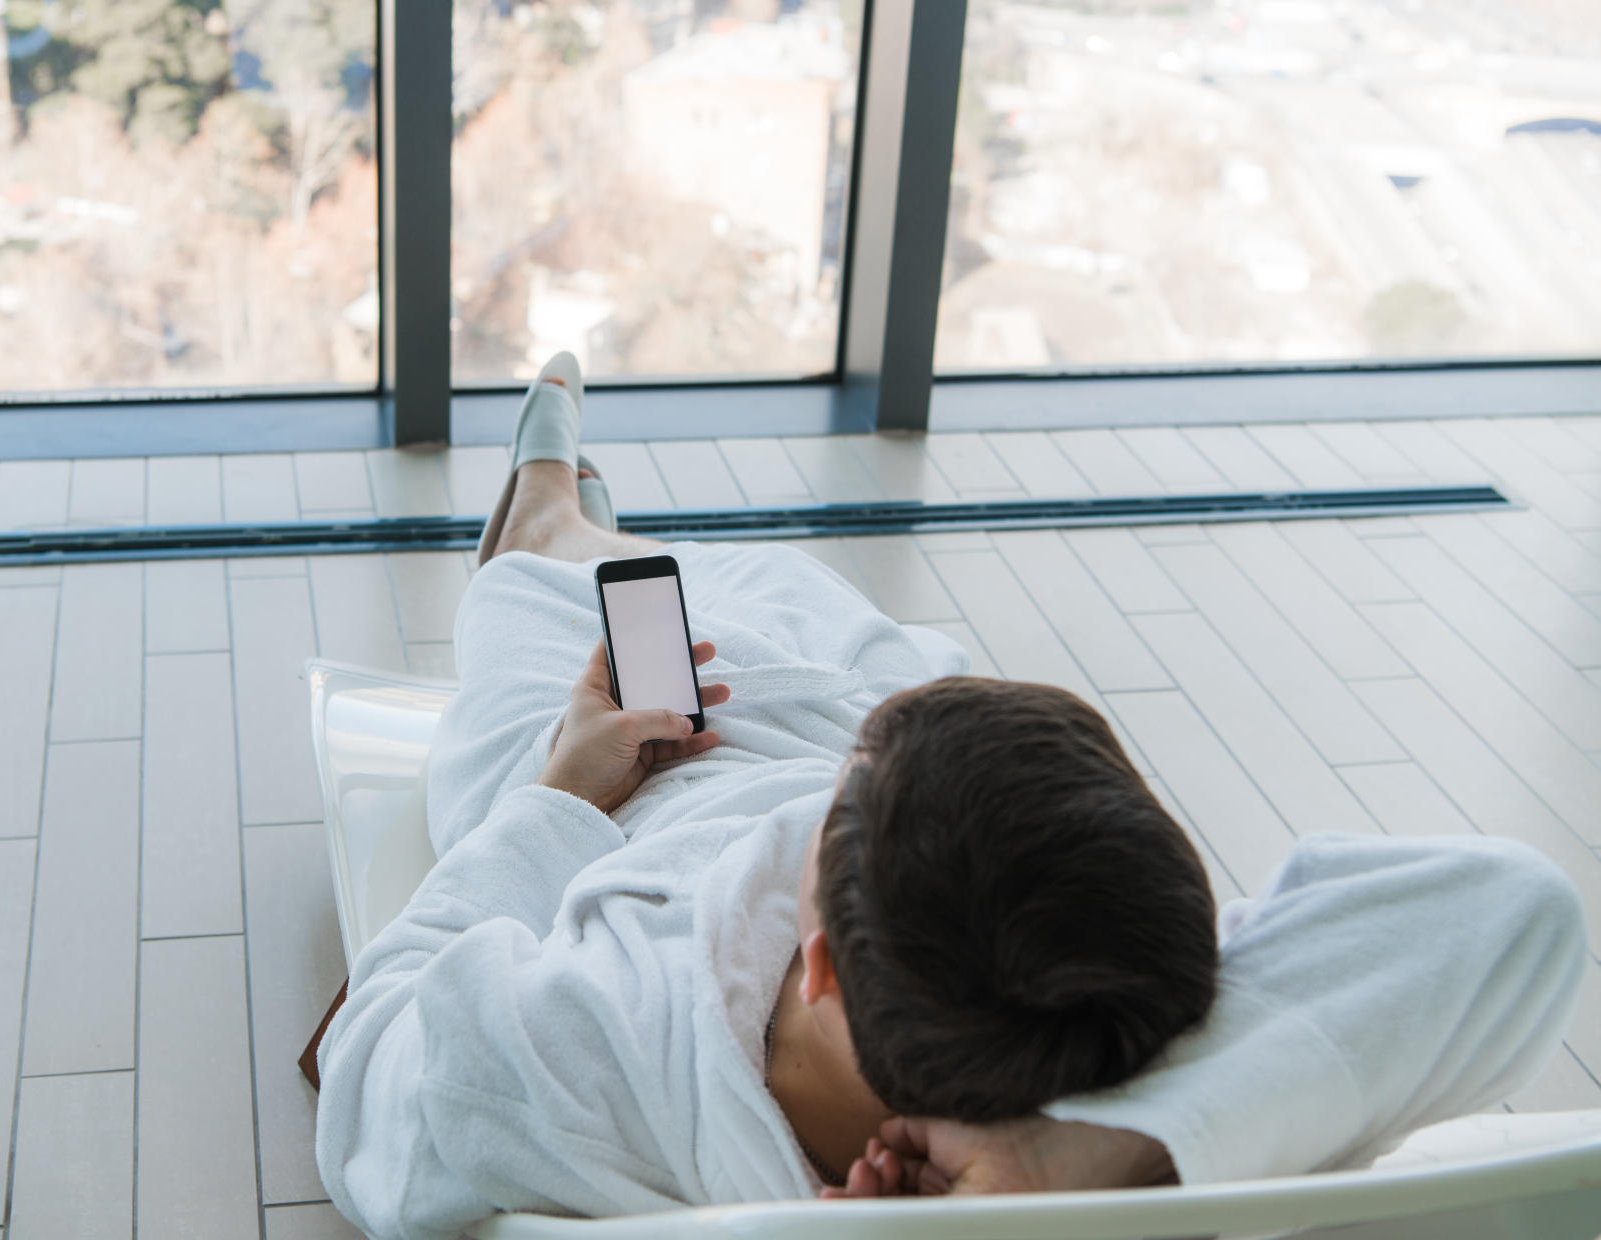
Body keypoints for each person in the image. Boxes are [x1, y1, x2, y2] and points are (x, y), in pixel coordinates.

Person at [313, 356, 1586, 1240]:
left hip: (619, 805)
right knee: (796, 623)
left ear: (817, 961)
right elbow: (1518, 908)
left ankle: (546, 507)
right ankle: (627, 545)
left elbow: (370, 1069)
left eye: (844, 803)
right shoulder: (1131, 1036)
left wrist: (557, 798)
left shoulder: (573, 1044)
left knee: (544, 596)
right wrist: (1095, 1153)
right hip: (825, 728)